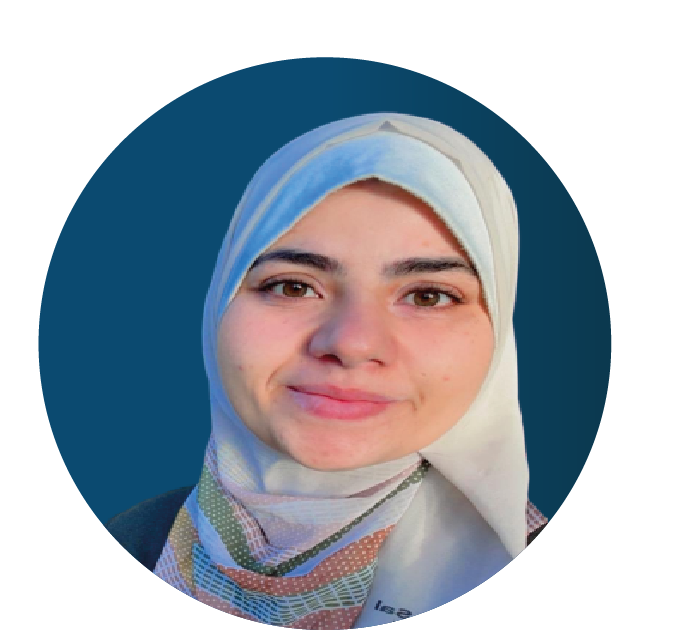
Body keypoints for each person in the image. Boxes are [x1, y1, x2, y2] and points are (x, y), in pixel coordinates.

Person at [106, 113, 547, 629]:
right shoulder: (129, 545)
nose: (351, 344)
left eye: (429, 296)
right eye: (293, 286)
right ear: (218, 305)